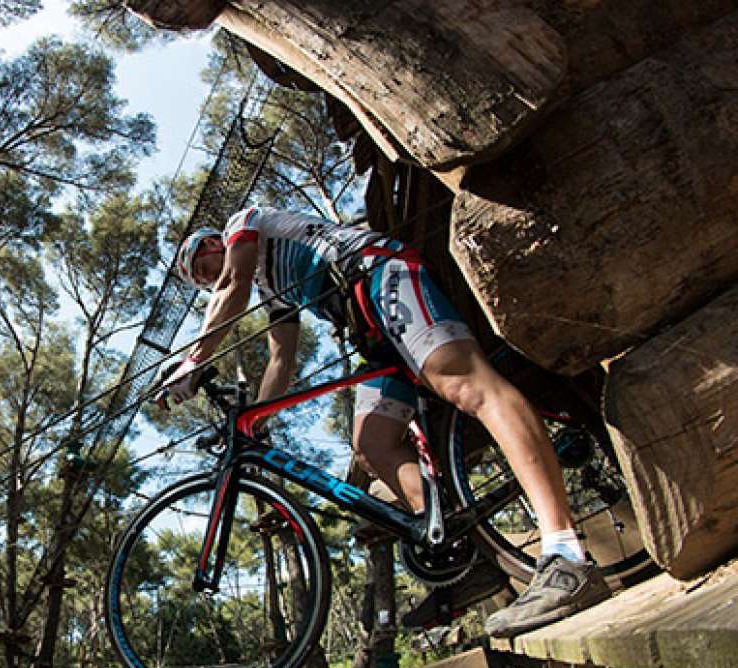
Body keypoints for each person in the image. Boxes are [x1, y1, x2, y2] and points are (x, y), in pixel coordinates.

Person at [158, 206, 609, 637]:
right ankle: (469, 562)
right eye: (197, 280)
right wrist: (256, 421)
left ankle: (566, 556)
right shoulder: (271, 290)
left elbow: (231, 287)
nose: (205, 278)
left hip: (380, 275)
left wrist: (194, 359)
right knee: (372, 443)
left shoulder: (246, 223)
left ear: (217, 241)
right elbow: (282, 358)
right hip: (371, 333)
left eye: (201, 263)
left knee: (467, 385)